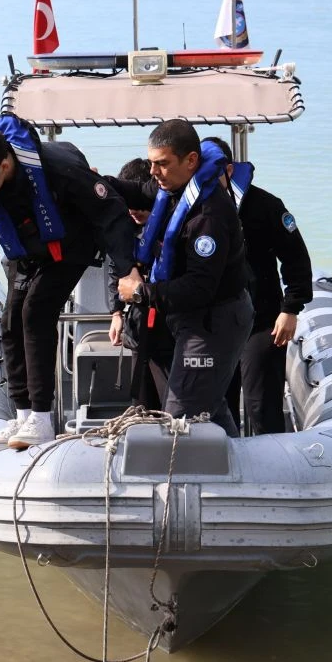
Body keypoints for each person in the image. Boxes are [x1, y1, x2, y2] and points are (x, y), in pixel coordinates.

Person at [0, 114, 138, 450]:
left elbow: (112, 214)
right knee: (10, 322)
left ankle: (42, 418)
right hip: (26, 251)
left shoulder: (59, 170)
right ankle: (23, 414)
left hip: (71, 244)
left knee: (36, 312)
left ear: (4, 165)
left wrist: (126, 270)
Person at [109, 120, 254, 436]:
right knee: (210, 408)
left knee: (179, 419)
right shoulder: (173, 187)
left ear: (191, 160)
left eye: (162, 164)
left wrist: (140, 292)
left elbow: (199, 289)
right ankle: (237, 465)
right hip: (187, 318)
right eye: (151, 163)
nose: (153, 172)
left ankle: (176, 481)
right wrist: (94, 183)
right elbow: (136, 191)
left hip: (215, 322)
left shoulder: (208, 217)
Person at [201, 137, 314, 435]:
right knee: (216, 404)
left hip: (262, 321)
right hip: (215, 324)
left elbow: (296, 259)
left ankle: (274, 466)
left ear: (227, 169)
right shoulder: (195, 208)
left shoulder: (266, 206)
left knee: (260, 402)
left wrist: (290, 308)